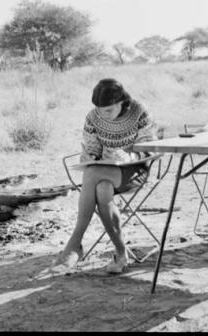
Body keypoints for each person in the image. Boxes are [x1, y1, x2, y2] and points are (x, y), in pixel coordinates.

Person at [54, 78, 157, 273]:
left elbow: (151, 149)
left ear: (121, 101)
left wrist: (128, 156)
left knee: (92, 174)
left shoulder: (139, 111)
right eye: (100, 111)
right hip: (106, 171)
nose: (103, 115)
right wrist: (90, 155)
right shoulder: (93, 117)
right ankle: (121, 253)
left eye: (108, 110)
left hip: (135, 171)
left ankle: (75, 244)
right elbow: (92, 149)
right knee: (101, 188)